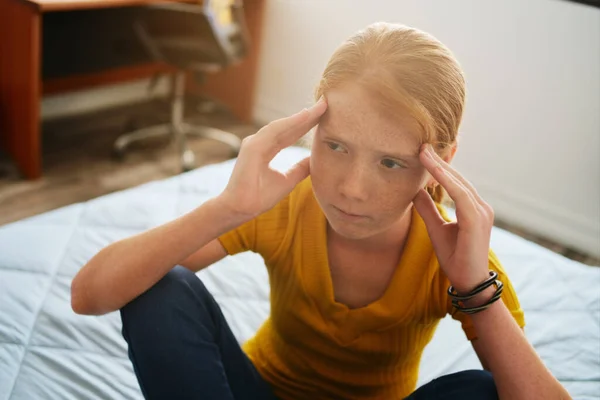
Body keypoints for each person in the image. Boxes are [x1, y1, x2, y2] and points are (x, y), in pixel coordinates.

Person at [71, 22, 571, 399]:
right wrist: (226, 208)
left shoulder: (455, 259)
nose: (352, 190)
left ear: (443, 161)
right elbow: (89, 295)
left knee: (483, 389)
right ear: (309, 128)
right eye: (334, 146)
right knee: (160, 283)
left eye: (391, 161)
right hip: (261, 390)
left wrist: (471, 288)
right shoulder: (287, 206)